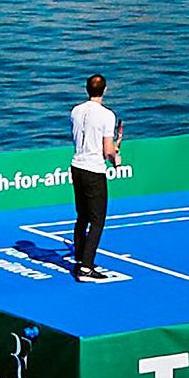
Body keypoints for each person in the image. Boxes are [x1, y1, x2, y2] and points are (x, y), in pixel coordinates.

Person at [68, 73, 121, 282]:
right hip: (93, 170)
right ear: (105, 90)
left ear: (87, 89)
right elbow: (107, 150)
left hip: (77, 166)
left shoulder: (75, 111)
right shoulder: (107, 115)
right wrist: (116, 157)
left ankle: (80, 256)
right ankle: (86, 268)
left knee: (82, 216)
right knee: (97, 221)